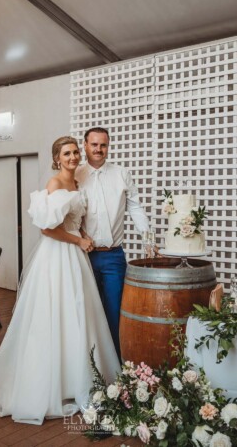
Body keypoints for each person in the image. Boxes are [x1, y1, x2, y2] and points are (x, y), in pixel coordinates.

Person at [0, 136, 120, 425]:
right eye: (67, 153)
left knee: (78, 313)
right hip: (56, 257)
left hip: (76, 258)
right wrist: (77, 241)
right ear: (57, 158)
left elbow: (75, 220)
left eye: (75, 152)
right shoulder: (53, 184)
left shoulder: (78, 184)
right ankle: (49, 382)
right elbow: (47, 230)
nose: (73, 157)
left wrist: (84, 236)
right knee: (53, 314)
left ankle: (76, 376)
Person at [76, 127, 150, 359]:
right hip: (82, 256)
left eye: (103, 145)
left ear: (108, 146)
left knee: (114, 312)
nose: (99, 149)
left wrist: (147, 238)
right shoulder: (75, 175)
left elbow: (135, 207)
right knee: (85, 312)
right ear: (85, 145)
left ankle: (116, 366)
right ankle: (89, 363)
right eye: (94, 144)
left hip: (113, 257)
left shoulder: (121, 173)